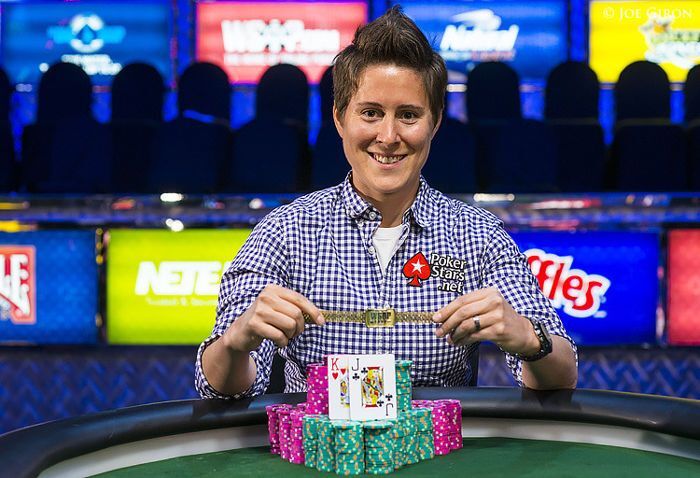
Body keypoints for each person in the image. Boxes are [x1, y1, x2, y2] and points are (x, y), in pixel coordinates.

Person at [196, 7, 577, 399]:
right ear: (340, 119)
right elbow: (218, 389)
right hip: (314, 456)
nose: (389, 135)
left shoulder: (478, 235)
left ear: (436, 123)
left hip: (440, 459)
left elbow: (562, 377)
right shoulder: (284, 230)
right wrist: (236, 341)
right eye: (371, 113)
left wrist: (532, 339)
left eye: (409, 115)